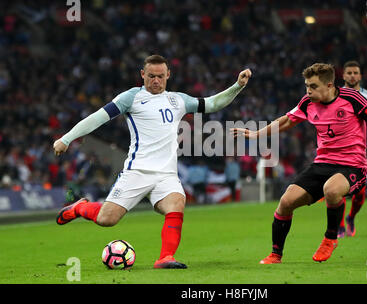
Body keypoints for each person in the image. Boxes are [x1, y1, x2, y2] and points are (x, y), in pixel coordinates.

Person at [53, 54, 252, 269]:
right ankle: (80, 207)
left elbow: (212, 103)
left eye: (160, 76)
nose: (155, 81)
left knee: (177, 204)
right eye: (150, 76)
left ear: (168, 75)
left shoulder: (178, 100)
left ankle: (165, 258)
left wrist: (237, 86)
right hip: (137, 171)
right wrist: (67, 138)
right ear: (142, 75)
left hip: (166, 174)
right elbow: (97, 118)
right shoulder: (131, 97)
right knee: (106, 219)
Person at [231, 63, 367, 264]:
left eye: (313, 86)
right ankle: (276, 254)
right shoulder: (307, 102)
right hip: (322, 164)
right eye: (306, 86)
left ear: (329, 85)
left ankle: (330, 238)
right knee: (285, 202)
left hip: (352, 166)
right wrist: (256, 134)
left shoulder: (352, 99)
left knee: (331, 189)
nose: (308, 91)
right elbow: (286, 121)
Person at [338, 60, 367, 238]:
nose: (352, 76)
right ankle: (339, 226)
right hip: (337, 150)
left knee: (359, 193)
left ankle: (351, 218)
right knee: (336, 191)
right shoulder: (335, 95)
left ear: (360, 76)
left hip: (358, 152)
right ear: (343, 75)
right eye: (349, 73)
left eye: (355, 72)